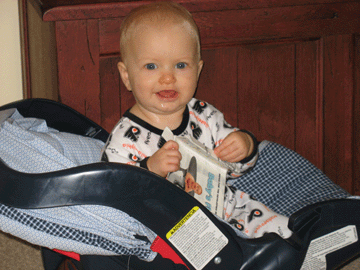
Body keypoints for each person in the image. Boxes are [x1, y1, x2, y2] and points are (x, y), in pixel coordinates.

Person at [102, 0, 291, 242]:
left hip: (228, 208)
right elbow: (112, 192)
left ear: (198, 70)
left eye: (181, 65)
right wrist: (149, 169)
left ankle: (298, 243)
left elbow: (237, 169)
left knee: (285, 236)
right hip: (174, 226)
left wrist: (244, 146)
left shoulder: (204, 114)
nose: (168, 77)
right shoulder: (124, 137)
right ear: (127, 76)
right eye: (151, 66)